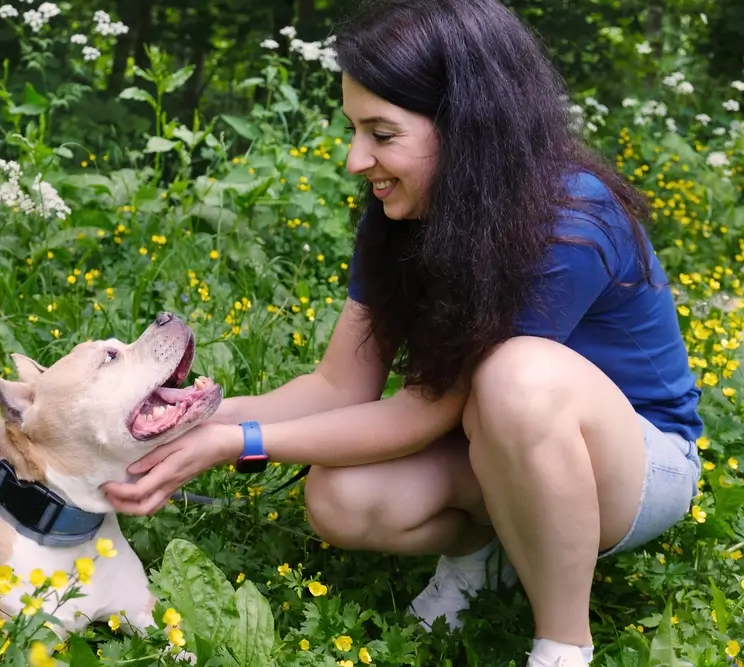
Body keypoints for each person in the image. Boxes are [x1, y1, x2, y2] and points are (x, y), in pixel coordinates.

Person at [101, 0, 704, 665]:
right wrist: (184, 423)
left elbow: (427, 412)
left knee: (517, 375)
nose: (358, 158)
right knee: (337, 496)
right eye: (355, 129)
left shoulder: (568, 218)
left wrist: (235, 444)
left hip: (637, 468)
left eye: (381, 133)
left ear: (469, 126)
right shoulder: (399, 215)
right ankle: (484, 556)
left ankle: (563, 643)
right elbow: (338, 386)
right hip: (496, 445)